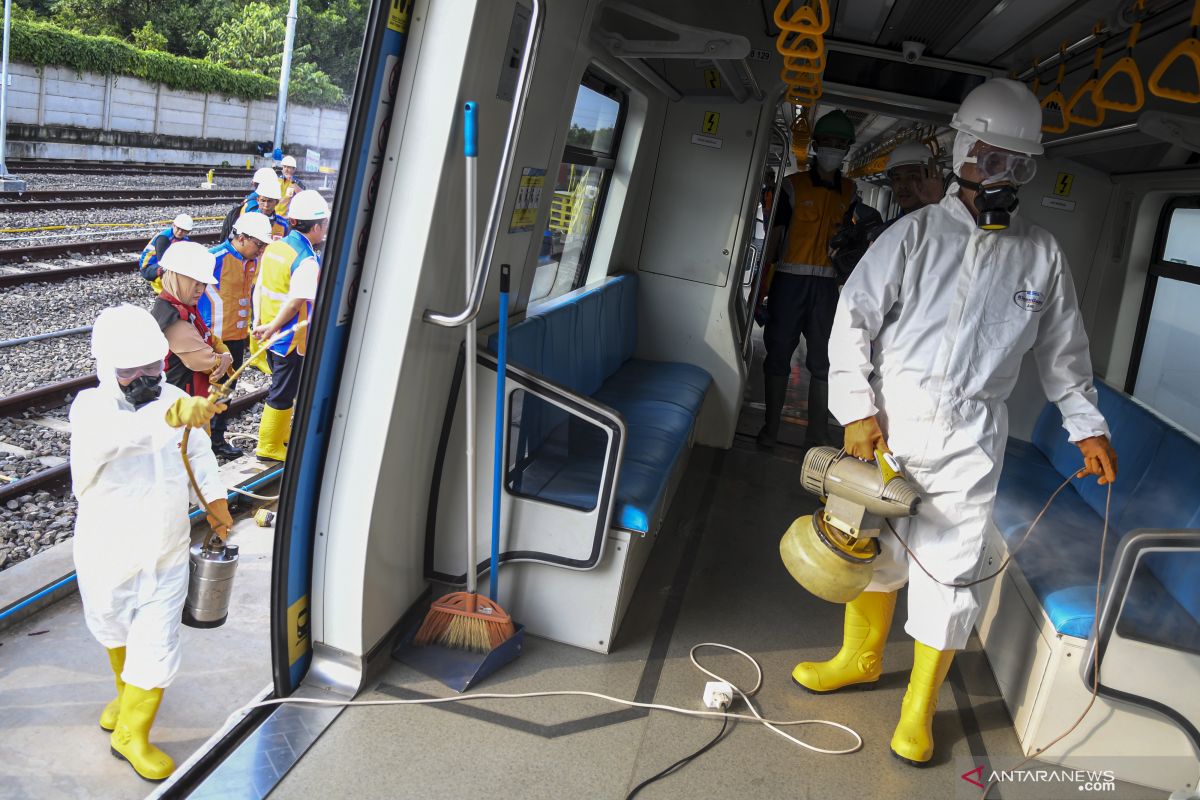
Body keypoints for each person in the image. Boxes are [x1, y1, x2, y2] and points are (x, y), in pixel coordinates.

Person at [794, 78, 1119, 766]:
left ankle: (917, 710)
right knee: (871, 551)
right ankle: (858, 657)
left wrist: (1085, 425)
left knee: (949, 573)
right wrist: (856, 411)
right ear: (964, 155)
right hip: (889, 426)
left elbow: (1064, 351)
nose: (999, 176)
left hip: (972, 441)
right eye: (989, 159)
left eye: (1015, 165)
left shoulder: (1041, 256)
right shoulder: (914, 236)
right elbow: (851, 321)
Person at [70, 304, 231, 782]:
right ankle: (123, 696)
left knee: (157, 644)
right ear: (106, 368)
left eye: (151, 366)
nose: (143, 379)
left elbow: (197, 453)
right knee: (114, 627)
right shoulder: (91, 409)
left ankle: (132, 734)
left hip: (166, 547)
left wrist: (216, 501)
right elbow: (122, 438)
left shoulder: (175, 397)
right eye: (128, 371)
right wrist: (171, 417)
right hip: (109, 550)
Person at [757, 109, 857, 449]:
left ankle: (817, 433)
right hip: (789, 282)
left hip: (828, 288)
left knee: (823, 360)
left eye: (840, 144)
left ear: (847, 149)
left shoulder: (851, 192)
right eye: (828, 142)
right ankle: (770, 428)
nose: (833, 149)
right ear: (815, 146)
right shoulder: (792, 186)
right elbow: (775, 236)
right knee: (778, 353)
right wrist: (761, 284)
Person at [252, 189, 329, 461]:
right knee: (283, 390)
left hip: (273, 334)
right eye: (325, 226)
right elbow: (296, 301)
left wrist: (259, 323)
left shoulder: (276, 247)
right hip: (291, 338)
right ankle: (269, 445)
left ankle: (280, 437)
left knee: (282, 385)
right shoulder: (305, 260)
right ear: (316, 227)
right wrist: (273, 326)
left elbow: (260, 287)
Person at [200, 212, 273, 457]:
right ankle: (200, 442)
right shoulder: (214, 258)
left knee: (226, 391)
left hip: (236, 337)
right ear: (241, 238)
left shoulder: (250, 262)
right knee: (206, 391)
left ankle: (216, 441)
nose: (261, 250)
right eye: (259, 244)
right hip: (213, 341)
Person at [152, 241, 234, 399]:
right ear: (177, 278)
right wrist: (223, 359)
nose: (200, 290)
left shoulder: (183, 303)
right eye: (195, 283)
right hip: (181, 403)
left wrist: (225, 355)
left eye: (203, 284)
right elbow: (202, 361)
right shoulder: (172, 318)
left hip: (193, 396)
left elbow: (208, 335)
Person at [884, 142, 945, 220]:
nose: (902, 185)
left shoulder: (946, 224)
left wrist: (935, 205)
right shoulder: (884, 231)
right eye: (897, 178)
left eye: (912, 176)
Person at [221, 175, 288, 242]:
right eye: (263, 201)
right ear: (258, 200)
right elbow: (230, 240)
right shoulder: (246, 218)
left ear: (276, 202)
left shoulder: (283, 224)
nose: (266, 205)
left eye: (270, 201)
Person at [139, 213, 193, 294]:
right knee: (169, 268)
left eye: (183, 230)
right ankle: (162, 286)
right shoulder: (163, 238)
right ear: (173, 225)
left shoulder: (185, 239)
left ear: (188, 231)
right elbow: (163, 261)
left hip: (160, 265)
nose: (179, 232)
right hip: (148, 268)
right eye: (178, 228)